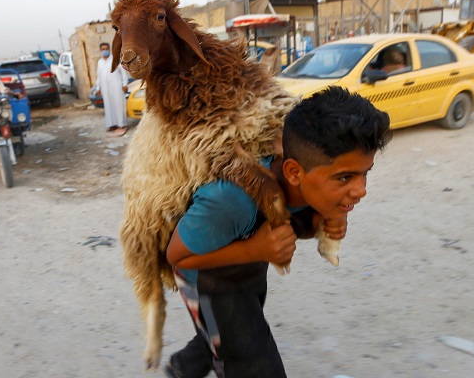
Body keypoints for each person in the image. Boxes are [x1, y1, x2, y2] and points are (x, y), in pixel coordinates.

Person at [165, 86, 392, 378]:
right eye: (345, 177)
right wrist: (254, 250)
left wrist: (321, 222)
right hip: (206, 281)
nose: (361, 190)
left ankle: (185, 366)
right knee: (250, 359)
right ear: (294, 172)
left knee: (234, 326)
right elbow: (177, 258)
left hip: (248, 267)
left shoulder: (305, 189)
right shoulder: (232, 200)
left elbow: (295, 224)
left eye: (365, 173)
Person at [95, 42, 129, 137]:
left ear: (109, 49)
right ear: (100, 50)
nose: (105, 51)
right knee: (108, 106)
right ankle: (112, 125)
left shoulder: (116, 59)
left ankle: (122, 125)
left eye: (106, 49)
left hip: (117, 86)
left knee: (119, 105)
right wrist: (98, 87)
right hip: (106, 88)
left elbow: (123, 72)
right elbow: (98, 76)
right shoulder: (100, 62)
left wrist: (125, 84)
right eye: (103, 49)